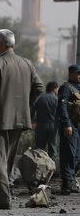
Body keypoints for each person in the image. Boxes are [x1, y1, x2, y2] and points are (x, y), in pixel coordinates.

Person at [0, 29, 43, 209]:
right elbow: (39, 87)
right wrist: (25, 105)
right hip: (19, 120)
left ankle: (1, 199)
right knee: (6, 161)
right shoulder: (27, 64)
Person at [57, 65, 80, 194]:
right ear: (71, 74)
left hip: (77, 126)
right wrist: (66, 124)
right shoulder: (66, 88)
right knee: (69, 154)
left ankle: (71, 179)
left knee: (77, 155)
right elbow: (62, 106)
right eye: (78, 73)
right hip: (70, 126)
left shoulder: (78, 88)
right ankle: (67, 183)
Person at [31, 81, 59, 163]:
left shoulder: (40, 98)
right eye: (57, 89)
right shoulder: (56, 99)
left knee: (39, 149)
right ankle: (52, 170)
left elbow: (32, 111)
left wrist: (32, 121)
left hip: (41, 126)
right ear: (54, 88)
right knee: (53, 149)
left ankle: (37, 169)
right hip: (53, 126)